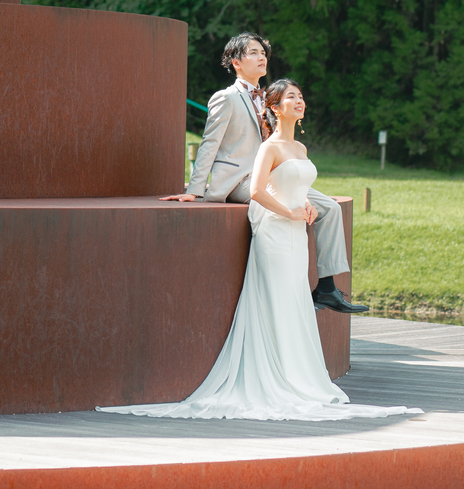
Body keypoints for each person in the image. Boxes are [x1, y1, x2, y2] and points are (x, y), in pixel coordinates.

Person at [98, 78, 421, 421]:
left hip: (296, 232)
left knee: (295, 299)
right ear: (275, 107)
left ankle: (300, 377)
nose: (299, 102)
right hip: (275, 233)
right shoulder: (270, 147)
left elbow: (294, 188)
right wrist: (291, 212)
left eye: (301, 97)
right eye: (292, 97)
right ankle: (278, 379)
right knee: (277, 299)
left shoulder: (301, 150)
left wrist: (307, 209)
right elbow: (256, 192)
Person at [163, 33, 368, 315]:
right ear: (236, 62)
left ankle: (327, 288)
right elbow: (210, 143)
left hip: (275, 177)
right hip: (242, 181)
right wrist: (195, 190)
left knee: (330, 208)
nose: (262, 58)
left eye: (264, 53)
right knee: (295, 205)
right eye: (254, 53)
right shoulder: (226, 98)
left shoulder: (272, 97)